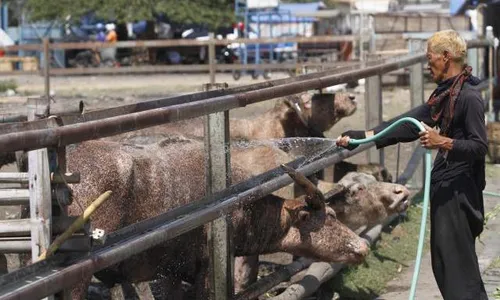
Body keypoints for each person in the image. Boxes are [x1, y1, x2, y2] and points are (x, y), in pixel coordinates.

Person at [337, 29, 488, 300]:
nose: (427, 64)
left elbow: (479, 147)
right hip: (447, 188)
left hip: (461, 192)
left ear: (446, 57)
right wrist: (360, 138)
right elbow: (408, 124)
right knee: (445, 265)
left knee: (458, 272)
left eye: (430, 58)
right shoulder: (446, 95)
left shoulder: (469, 97)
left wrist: (442, 142)